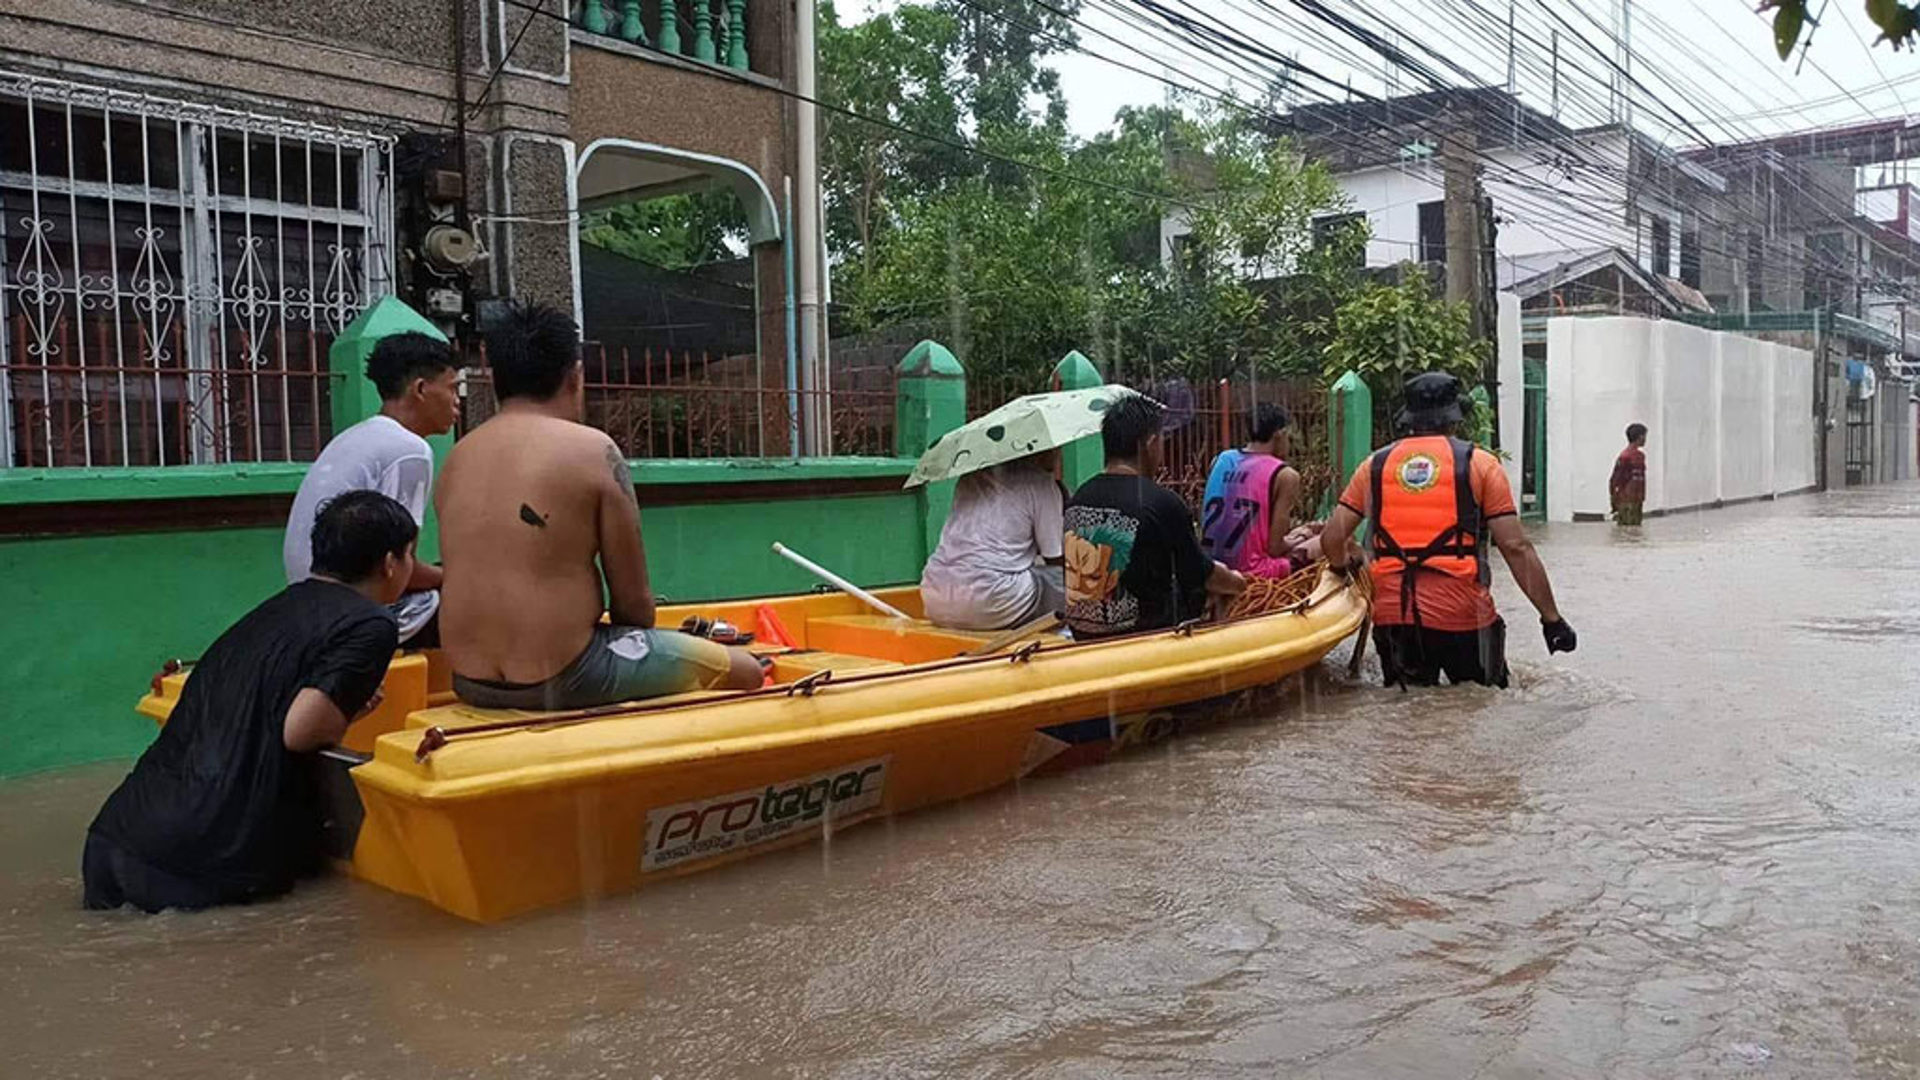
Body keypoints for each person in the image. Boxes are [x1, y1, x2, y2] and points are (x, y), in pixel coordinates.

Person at [84, 491, 417, 912]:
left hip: (115, 839)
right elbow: (300, 732)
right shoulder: (371, 623)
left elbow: (264, 704)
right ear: (390, 563)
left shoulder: (276, 609)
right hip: (194, 862)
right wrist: (340, 713)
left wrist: (342, 705)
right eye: (410, 555)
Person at [435, 301, 762, 710]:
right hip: (565, 676)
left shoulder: (456, 458)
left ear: (496, 379)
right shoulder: (593, 449)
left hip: (470, 680)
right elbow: (634, 607)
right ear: (575, 377)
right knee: (746, 669)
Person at [1320, 372, 1576, 688]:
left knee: (1410, 717)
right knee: (1483, 708)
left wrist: (1343, 570)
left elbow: (1332, 539)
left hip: (1394, 616)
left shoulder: (1373, 465)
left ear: (1410, 417)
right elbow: (1515, 548)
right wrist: (1551, 619)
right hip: (1464, 615)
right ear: (1454, 418)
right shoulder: (1480, 464)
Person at [284, 331, 459, 646]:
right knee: (477, 602)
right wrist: (460, 578)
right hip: (346, 616)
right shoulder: (409, 450)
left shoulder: (355, 436)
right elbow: (396, 572)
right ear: (420, 389)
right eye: (452, 389)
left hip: (306, 604)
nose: (458, 401)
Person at [1062, 393, 1246, 639]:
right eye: (1162, 440)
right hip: (1140, 636)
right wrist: (1237, 582)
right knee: (1215, 589)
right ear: (1150, 444)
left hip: (1084, 631)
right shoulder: (1162, 503)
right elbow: (1203, 576)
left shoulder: (1079, 497)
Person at [921, 451, 1067, 631]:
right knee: (1062, 579)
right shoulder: (1041, 483)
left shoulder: (970, 477)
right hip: (990, 601)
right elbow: (1055, 557)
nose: (1057, 455)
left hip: (934, 595)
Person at [1200, 402, 1323, 579]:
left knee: (1303, 533)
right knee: (1330, 540)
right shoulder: (1285, 475)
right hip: (1252, 573)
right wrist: (1299, 538)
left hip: (1213, 569)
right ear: (1279, 435)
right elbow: (1275, 548)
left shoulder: (1221, 459)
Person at [1611, 422, 1649, 526]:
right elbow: (1615, 479)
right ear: (1640, 437)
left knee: (1633, 530)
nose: (1646, 439)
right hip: (1627, 501)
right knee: (1628, 527)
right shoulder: (1625, 456)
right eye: (1645, 436)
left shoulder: (1640, 456)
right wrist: (1614, 500)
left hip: (1636, 500)